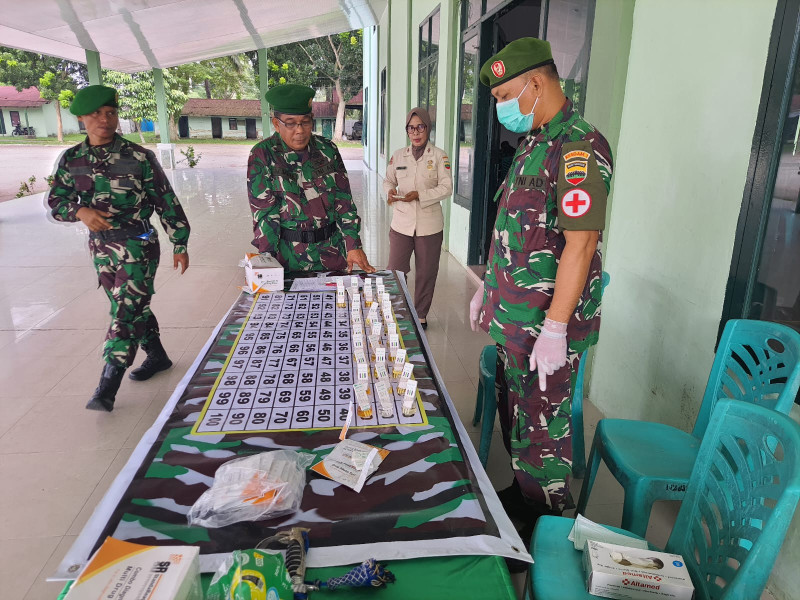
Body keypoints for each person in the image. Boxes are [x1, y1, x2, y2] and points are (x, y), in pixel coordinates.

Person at [469, 38, 612, 547]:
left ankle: (547, 528)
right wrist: (487, 288)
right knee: (520, 423)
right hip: (514, 318)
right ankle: (523, 495)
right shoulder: (534, 142)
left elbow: (581, 244)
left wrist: (554, 329)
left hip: (545, 327)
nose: (502, 107)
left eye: (505, 95)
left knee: (544, 433)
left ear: (535, 83)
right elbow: (513, 229)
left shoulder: (579, 147)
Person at [47, 85, 191, 412]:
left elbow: (165, 201)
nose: (105, 119)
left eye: (110, 113)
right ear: (82, 118)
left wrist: (179, 242)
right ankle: (158, 356)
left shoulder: (139, 157)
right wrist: (79, 211)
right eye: (96, 114)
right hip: (101, 248)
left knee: (124, 312)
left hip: (138, 244)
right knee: (132, 305)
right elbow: (57, 202)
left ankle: (107, 387)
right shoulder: (72, 159)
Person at [247, 84, 375, 273]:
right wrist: (267, 261)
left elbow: (344, 200)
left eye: (305, 122)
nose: (299, 130)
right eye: (290, 123)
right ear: (276, 124)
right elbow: (264, 213)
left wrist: (353, 244)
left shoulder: (328, 150)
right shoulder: (262, 155)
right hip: (287, 258)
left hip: (331, 252)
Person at [383, 107, 452, 328]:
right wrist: (390, 191)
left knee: (426, 272)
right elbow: (388, 180)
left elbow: (447, 187)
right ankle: (397, 310)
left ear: (427, 128)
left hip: (429, 225)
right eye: (411, 128)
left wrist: (420, 195)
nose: (415, 132)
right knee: (395, 269)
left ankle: (420, 314)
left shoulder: (439, 156)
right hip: (401, 223)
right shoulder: (398, 155)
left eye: (420, 127)